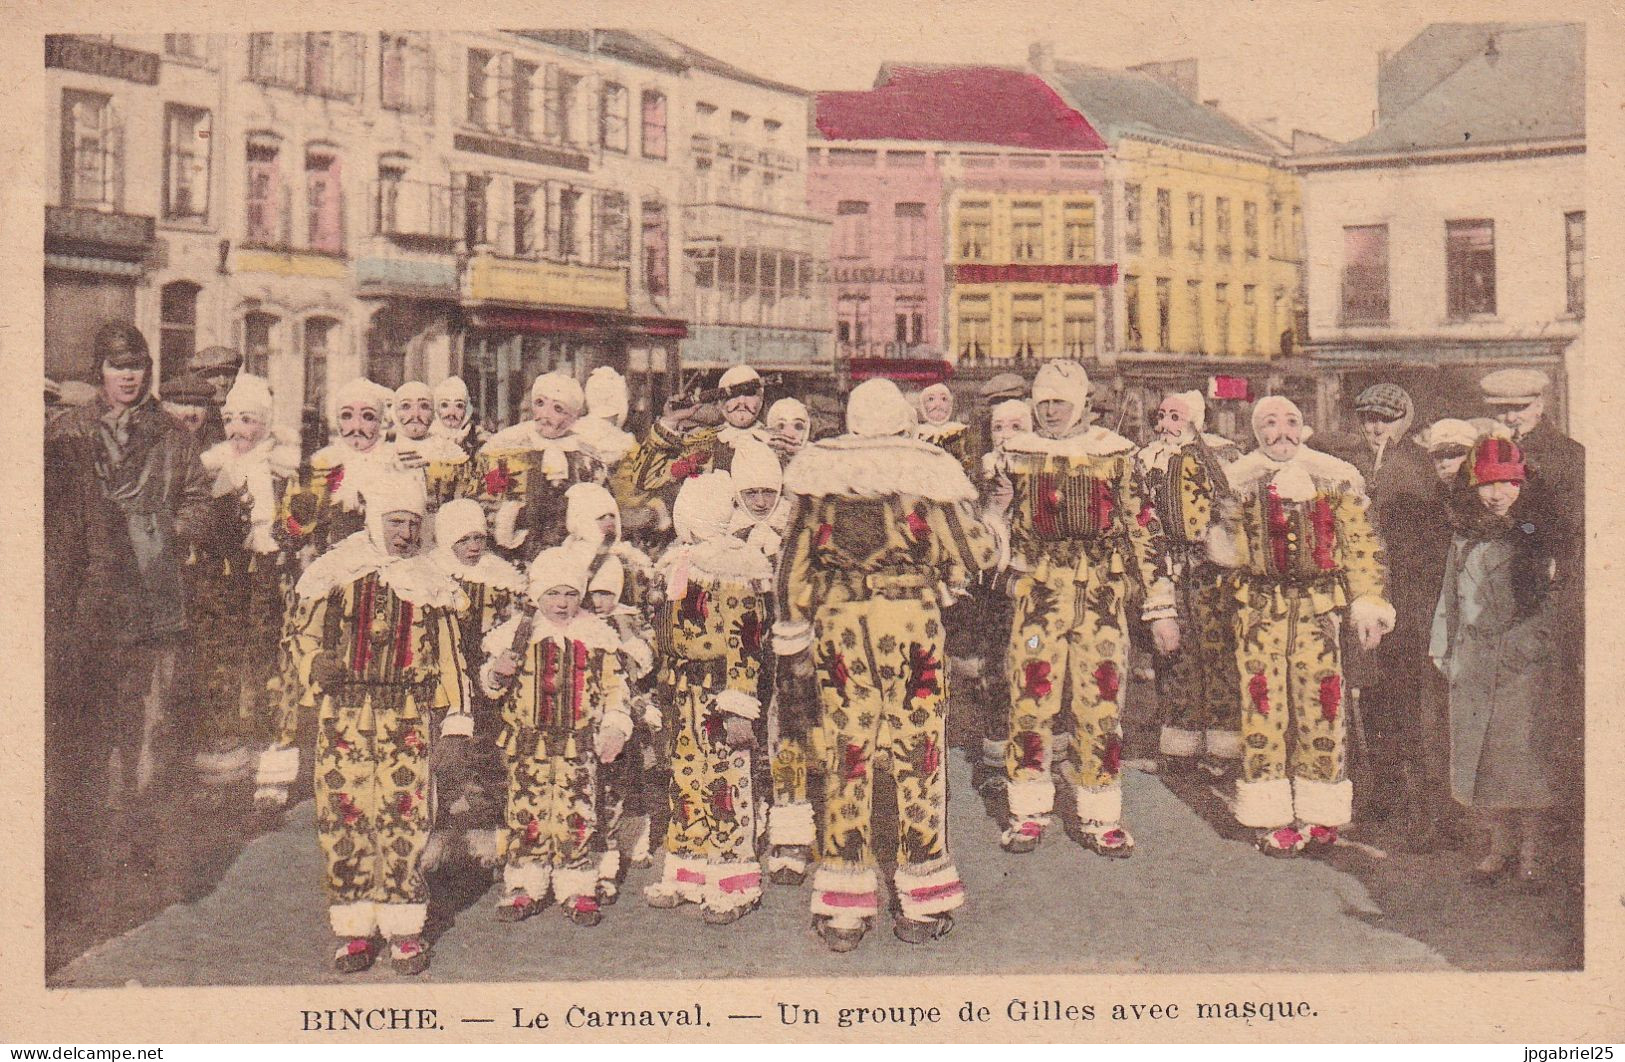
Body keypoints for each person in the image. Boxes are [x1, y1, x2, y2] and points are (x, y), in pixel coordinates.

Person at [776, 379, 998, 951]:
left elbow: (791, 565)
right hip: (909, 624)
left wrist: (795, 634)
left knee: (847, 751)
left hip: (840, 623)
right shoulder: (923, 476)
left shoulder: (821, 479)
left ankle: (845, 899)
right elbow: (971, 555)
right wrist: (990, 523)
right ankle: (921, 896)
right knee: (919, 751)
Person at [257, 473, 472, 975]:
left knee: (405, 811)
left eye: (413, 524)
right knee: (345, 810)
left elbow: (450, 656)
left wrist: (458, 719)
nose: (404, 533)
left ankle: (403, 924)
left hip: (407, 713)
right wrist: (315, 664)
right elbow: (300, 635)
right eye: (396, 521)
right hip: (345, 713)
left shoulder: (428, 580)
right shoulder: (338, 573)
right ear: (376, 520)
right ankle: (354, 926)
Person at [986, 361, 1179, 858]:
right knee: (1030, 697)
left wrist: (1160, 608)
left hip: (1100, 597)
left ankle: (1100, 813)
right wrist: (996, 527)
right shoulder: (1016, 456)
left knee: (1101, 701)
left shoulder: (1116, 456)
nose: (1051, 411)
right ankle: (1027, 809)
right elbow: (991, 531)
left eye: (1060, 402)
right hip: (1039, 597)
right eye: (1043, 402)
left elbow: (1143, 529)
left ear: (1081, 404)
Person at [45, 322, 213, 864]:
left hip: (147, 592)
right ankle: (83, 833)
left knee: (146, 718)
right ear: (100, 370)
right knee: (84, 713)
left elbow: (199, 502)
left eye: (137, 366)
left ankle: (137, 833)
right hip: (84, 597)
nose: (129, 377)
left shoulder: (171, 435)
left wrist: (164, 532)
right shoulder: (68, 429)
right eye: (118, 367)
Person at [1206, 396, 1392, 856]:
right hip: (1259, 610)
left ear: (1303, 427)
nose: (1281, 432)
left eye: (1291, 422)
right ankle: (1269, 813)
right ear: (1256, 432)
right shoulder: (1238, 481)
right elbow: (1222, 550)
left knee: (1323, 704)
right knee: (1262, 705)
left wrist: (1367, 601)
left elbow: (1362, 545)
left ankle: (1320, 812)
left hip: (1316, 610)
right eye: (1269, 424)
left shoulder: (1335, 477)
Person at [1430, 434, 1576, 889]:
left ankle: (1531, 854)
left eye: (1510, 484)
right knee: (1483, 761)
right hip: (1473, 660)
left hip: (1521, 664)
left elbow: (1550, 607)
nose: (1499, 495)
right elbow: (1449, 598)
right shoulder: (1464, 536)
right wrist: (1444, 649)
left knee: (1524, 759)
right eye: (1488, 485)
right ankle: (1499, 848)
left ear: (1524, 485)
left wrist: (1525, 650)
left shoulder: (1536, 536)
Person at [644, 472, 772, 925]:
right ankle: (689, 865)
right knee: (686, 776)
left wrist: (739, 704)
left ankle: (733, 875)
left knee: (725, 779)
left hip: (719, 690)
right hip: (681, 690)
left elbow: (747, 640)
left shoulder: (734, 566)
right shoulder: (680, 561)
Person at [481, 546, 631, 927]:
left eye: (570, 594)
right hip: (529, 741)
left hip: (578, 742)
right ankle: (525, 882)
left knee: (577, 809)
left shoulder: (597, 636)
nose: (562, 604)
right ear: (537, 595)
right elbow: (493, 687)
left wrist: (614, 724)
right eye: (553, 594)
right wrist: (497, 674)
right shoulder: (518, 634)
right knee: (525, 809)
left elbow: (615, 688)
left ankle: (576, 883)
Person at [187, 374, 300, 796]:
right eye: (231, 420)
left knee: (266, 659)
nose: (238, 431)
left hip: (270, 578)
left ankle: (269, 762)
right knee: (223, 659)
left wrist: (286, 534)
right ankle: (223, 763)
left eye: (248, 421)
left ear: (265, 424)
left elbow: (297, 521)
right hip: (221, 577)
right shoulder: (212, 465)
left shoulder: (282, 469)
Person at [1134, 390, 1243, 774]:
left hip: (1213, 572)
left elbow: (1235, 505)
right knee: (1175, 655)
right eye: (1161, 416)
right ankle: (1180, 743)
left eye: (1175, 417)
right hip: (1171, 569)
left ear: (1195, 421)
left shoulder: (1222, 455)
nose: (1165, 425)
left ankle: (1223, 746)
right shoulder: (1146, 460)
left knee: (1219, 655)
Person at [426, 498, 527, 871]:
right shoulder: (431, 574)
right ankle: (441, 838)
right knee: (446, 760)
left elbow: (512, 625)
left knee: (486, 756)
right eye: (463, 538)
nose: (473, 546)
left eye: (478, 538)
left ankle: (488, 838)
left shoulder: (499, 576)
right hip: (446, 680)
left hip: (486, 679)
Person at [1411, 418, 1482, 840]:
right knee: (1436, 726)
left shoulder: (1498, 501)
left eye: (1455, 454)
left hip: (1478, 627)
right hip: (1435, 625)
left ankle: (1482, 824)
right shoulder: (1428, 504)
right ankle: (1445, 817)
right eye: (1439, 457)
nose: (1447, 464)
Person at [582, 553, 663, 902]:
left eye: (606, 593)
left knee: (626, 782)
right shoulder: (582, 623)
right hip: (591, 718)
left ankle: (628, 843)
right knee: (594, 789)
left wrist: (629, 639)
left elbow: (643, 666)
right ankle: (597, 857)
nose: (599, 601)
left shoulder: (628, 622)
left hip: (626, 715)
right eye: (593, 593)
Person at [962, 397, 1031, 788]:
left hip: (1036, 586)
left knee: (1036, 663)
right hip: (996, 591)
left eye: (1015, 427)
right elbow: (974, 540)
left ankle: (1039, 757)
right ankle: (995, 756)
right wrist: (996, 509)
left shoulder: (1043, 469)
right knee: (998, 669)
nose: (1006, 437)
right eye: (998, 428)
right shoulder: (981, 477)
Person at [474, 371, 608, 563]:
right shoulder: (507, 447)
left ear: (573, 417)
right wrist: (510, 518)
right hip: (510, 554)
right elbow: (486, 501)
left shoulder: (586, 456)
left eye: (558, 409)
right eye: (540, 403)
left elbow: (600, 511)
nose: (544, 415)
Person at [279, 378, 399, 556]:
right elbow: (294, 532)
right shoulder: (323, 462)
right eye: (347, 416)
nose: (356, 426)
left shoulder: (394, 462)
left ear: (381, 420)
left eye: (367, 417)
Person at [629, 364, 770, 500]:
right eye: (733, 394)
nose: (741, 401)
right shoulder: (699, 445)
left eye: (750, 393)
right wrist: (670, 422)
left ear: (762, 399)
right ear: (720, 402)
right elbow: (645, 480)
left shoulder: (777, 443)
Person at [393, 380, 472, 510]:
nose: (415, 415)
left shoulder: (449, 450)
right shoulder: (382, 450)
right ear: (394, 411)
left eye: (424, 406)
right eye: (406, 406)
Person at [913, 382, 972, 474]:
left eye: (944, 399)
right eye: (931, 399)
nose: (938, 404)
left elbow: (967, 459)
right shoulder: (918, 433)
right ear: (922, 405)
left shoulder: (959, 431)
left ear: (951, 405)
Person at [431, 375, 486, 461]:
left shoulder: (477, 436)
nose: (452, 413)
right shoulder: (427, 436)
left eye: (459, 406)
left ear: (466, 411)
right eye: (445, 405)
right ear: (436, 408)